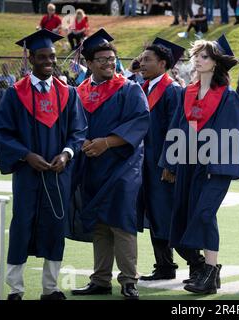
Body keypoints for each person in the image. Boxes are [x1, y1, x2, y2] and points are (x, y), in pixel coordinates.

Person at [0, 29, 87, 300]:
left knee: (54, 227)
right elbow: (2, 131)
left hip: (58, 173)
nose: (49, 62)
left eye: (52, 57)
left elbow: (78, 131)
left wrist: (67, 154)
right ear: (31, 59)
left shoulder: (68, 94)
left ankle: (51, 288)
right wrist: (26, 155)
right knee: (23, 223)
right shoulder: (14, 94)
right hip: (27, 173)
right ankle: (16, 289)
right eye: (43, 57)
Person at [159, 35, 239, 294]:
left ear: (216, 63)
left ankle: (210, 271)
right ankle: (208, 273)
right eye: (196, 55)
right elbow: (177, 127)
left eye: (204, 56)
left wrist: (213, 168)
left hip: (213, 169)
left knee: (205, 215)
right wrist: (170, 163)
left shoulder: (227, 97)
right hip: (188, 165)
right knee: (187, 215)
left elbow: (228, 135)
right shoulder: (188, 92)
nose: (197, 59)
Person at [70, 28, 149, 300]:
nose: (108, 63)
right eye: (102, 59)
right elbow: (72, 126)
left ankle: (129, 280)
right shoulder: (79, 91)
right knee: (99, 223)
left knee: (121, 221)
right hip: (91, 165)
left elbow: (139, 122)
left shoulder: (129, 89)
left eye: (112, 58)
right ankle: (100, 280)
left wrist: (106, 142)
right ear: (88, 63)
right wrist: (81, 143)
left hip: (123, 165)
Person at [136, 38, 206, 282]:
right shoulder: (143, 88)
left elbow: (179, 130)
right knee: (154, 214)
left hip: (164, 165)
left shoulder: (172, 90)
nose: (141, 63)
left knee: (170, 216)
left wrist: (172, 165)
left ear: (163, 63)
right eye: (142, 59)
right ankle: (164, 266)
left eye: (147, 60)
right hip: (145, 164)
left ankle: (198, 265)